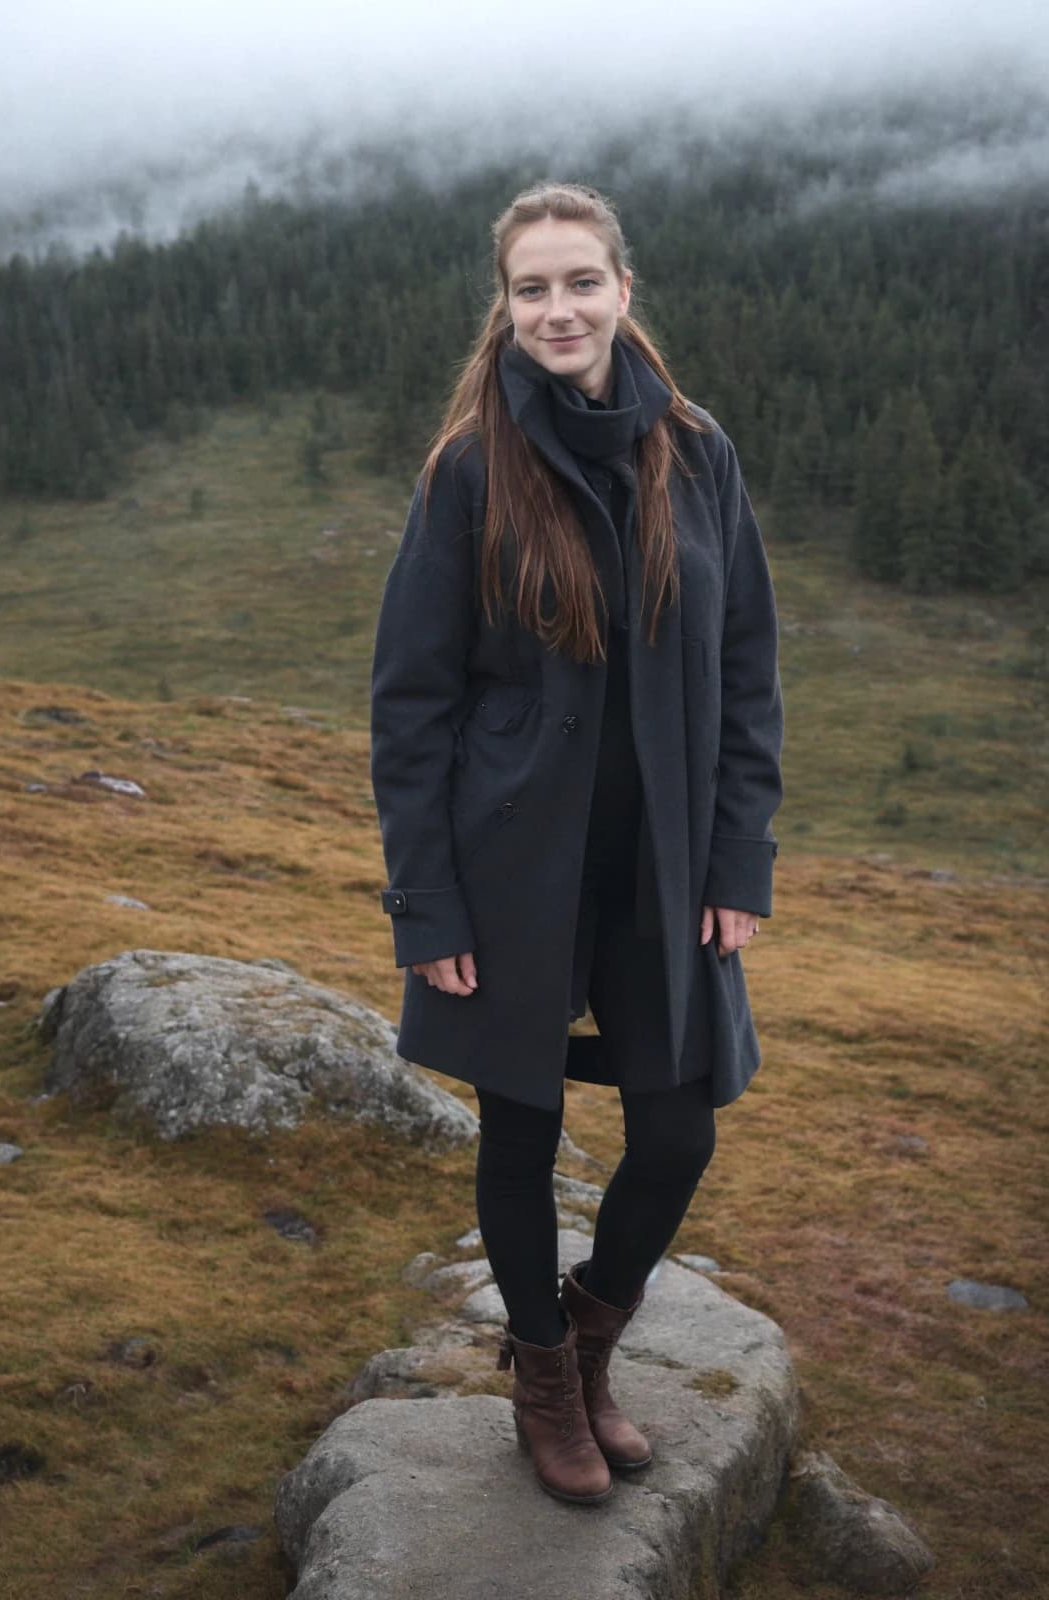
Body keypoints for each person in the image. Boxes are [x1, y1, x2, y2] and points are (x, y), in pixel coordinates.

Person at [369, 182, 783, 1506]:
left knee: (677, 1134)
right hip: (511, 874)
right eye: (532, 288)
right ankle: (545, 1379)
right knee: (521, 1133)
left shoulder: (698, 453)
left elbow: (747, 674)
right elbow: (413, 702)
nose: (559, 309)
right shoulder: (471, 469)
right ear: (508, 303)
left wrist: (738, 862)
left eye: (581, 282)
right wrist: (427, 908)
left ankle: (592, 1334)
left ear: (622, 289)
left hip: (663, 871)